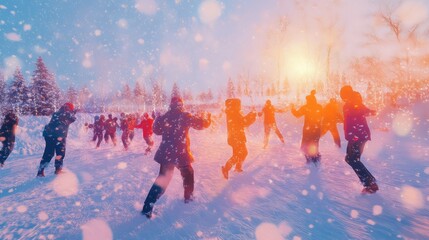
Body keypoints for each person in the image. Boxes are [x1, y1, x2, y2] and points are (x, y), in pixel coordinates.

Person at [141, 97, 211, 218]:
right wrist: (208, 118)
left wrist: (158, 119)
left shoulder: (165, 117)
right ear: (180, 105)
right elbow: (201, 124)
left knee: (163, 180)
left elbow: (156, 130)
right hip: (180, 153)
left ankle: (147, 207)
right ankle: (188, 198)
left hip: (167, 153)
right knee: (188, 174)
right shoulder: (184, 115)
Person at [340, 85, 378, 194]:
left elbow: (359, 111)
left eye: (343, 96)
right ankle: (370, 182)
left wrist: (367, 111)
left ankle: (370, 183)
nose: (343, 98)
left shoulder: (352, 101)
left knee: (352, 159)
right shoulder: (353, 101)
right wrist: (369, 111)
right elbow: (360, 111)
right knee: (350, 159)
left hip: (357, 135)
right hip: (356, 135)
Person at [37, 102, 77, 176]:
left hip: (49, 135)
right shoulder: (66, 113)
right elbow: (72, 119)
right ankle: (58, 170)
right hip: (58, 136)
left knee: (48, 153)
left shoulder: (57, 113)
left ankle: (40, 171)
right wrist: (73, 113)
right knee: (60, 153)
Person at [221, 98, 257, 179]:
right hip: (237, 138)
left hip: (235, 137)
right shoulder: (233, 113)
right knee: (241, 154)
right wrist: (252, 115)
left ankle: (237, 167)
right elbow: (243, 122)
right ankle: (226, 168)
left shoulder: (232, 112)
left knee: (239, 154)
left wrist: (252, 115)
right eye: (239, 105)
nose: (240, 106)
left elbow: (242, 122)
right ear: (235, 105)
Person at [291, 90, 323, 164]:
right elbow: (321, 116)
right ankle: (315, 159)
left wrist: (292, 108)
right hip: (317, 129)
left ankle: (310, 160)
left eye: (307, 100)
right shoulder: (319, 107)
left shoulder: (306, 107)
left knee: (307, 145)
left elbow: (297, 114)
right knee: (314, 145)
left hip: (308, 130)